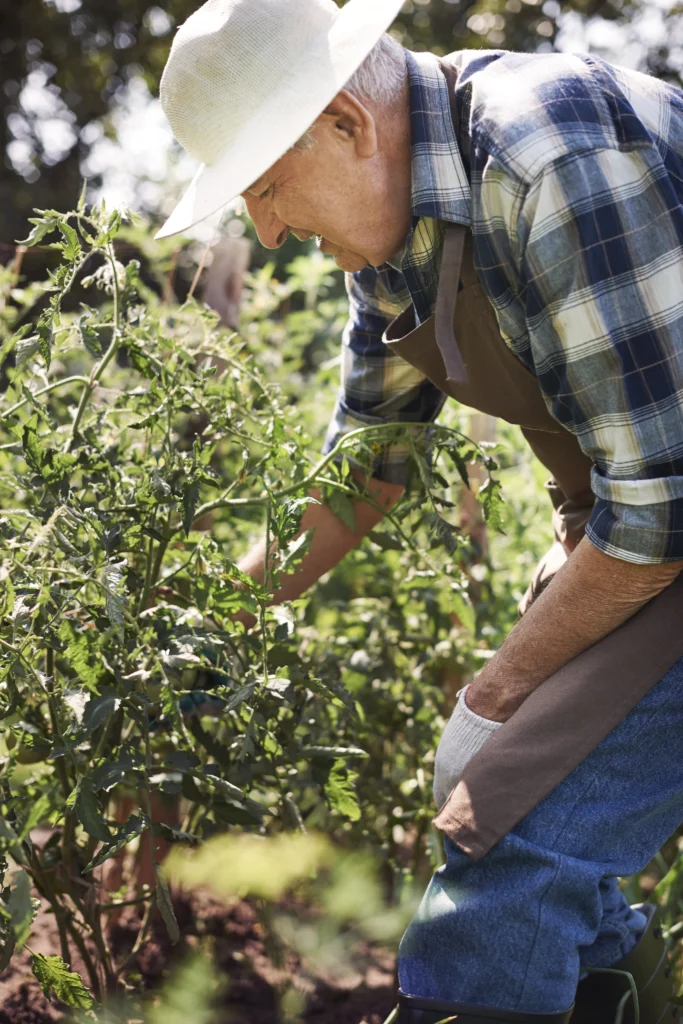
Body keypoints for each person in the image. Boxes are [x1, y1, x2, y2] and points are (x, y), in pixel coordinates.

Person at [155, 0, 683, 1020]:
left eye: (265, 186)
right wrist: (210, 623)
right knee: (508, 823)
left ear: (348, 124)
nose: (265, 233)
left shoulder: (546, 158)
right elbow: (371, 462)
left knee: (509, 841)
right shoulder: (395, 229)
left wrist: (491, 693)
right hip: (638, 529)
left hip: (660, 522)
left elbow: (662, 509)